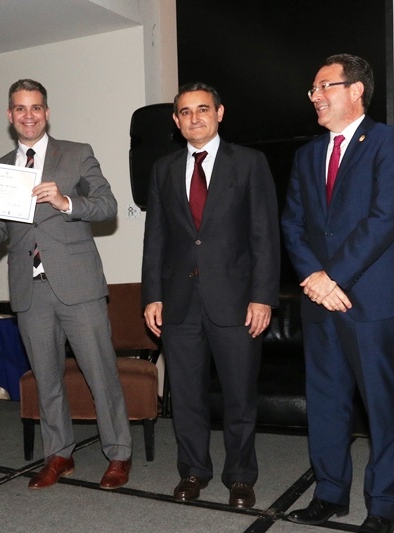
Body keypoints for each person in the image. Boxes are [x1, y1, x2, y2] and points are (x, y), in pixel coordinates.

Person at [281, 54, 394, 533]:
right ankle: (329, 493)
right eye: (313, 89)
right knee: (325, 400)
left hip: (370, 296)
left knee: (379, 404)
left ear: (356, 90)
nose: (315, 96)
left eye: (325, 86)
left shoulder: (388, 141)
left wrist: (333, 277)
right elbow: (293, 224)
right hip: (320, 299)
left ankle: (383, 507)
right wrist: (314, 278)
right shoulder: (307, 155)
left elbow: (386, 217)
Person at [0, 79, 133, 491]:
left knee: (101, 374)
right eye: (20, 108)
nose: (28, 115)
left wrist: (65, 202)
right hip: (30, 291)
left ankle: (118, 453)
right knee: (46, 379)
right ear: (10, 115)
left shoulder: (77, 153)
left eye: (35, 107)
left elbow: (107, 205)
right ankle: (59, 454)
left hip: (79, 286)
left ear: (46, 112)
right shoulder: (0, 169)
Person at [141, 82, 280, 509]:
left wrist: (263, 297)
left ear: (220, 113)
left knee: (239, 397)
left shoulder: (250, 163)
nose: (194, 118)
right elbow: (156, 238)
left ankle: (240, 476)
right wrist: (152, 295)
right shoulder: (163, 169)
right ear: (176, 120)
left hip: (237, 303)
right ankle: (193, 471)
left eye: (202, 109)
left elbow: (265, 235)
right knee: (185, 397)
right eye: (185, 112)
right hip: (179, 303)